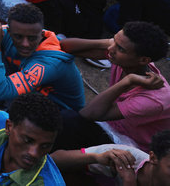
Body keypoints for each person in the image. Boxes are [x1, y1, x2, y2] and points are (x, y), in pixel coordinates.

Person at [57, 21, 170, 151]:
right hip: (112, 125)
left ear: (144, 60)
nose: (111, 49)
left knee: (68, 121)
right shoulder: (125, 58)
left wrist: (128, 80)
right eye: (115, 41)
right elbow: (64, 46)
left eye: (120, 48)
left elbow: (88, 114)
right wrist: (108, 42)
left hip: (131, 144)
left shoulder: (154, 99)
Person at [0, 3, 85, 111]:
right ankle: (5, 100)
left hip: (60, 112)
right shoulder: (6, 33)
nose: (25, 44)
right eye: (18, 37)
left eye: (32, 38)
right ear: (9, 31)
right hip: (34, 98)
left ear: (41, 34)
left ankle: (7, 100)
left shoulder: (48, 63)